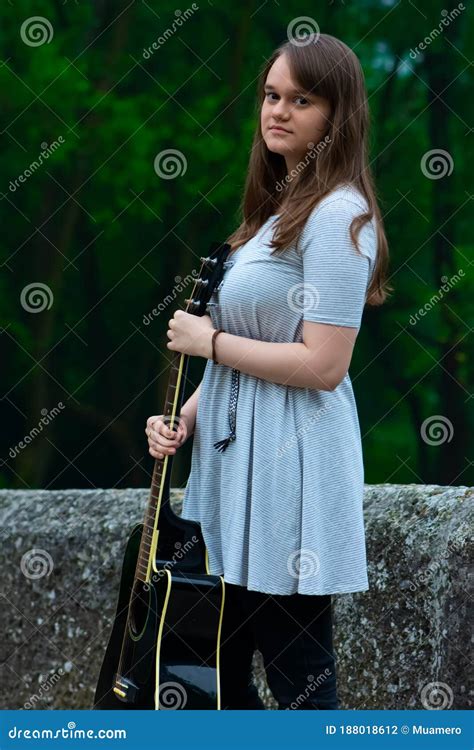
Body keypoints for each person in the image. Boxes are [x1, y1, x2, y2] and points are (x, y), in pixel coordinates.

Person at [146, 32, 391, 710]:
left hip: (290, 480)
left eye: (301, 100)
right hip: (231, 473)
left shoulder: (341, 215)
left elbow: (323, 363)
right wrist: (184, 418)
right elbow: (245, 346)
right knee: (207, 677)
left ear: (335, 116)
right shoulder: (271, 214)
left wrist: (210, 342)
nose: (277, 111)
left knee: (297, 678)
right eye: (271, 95)